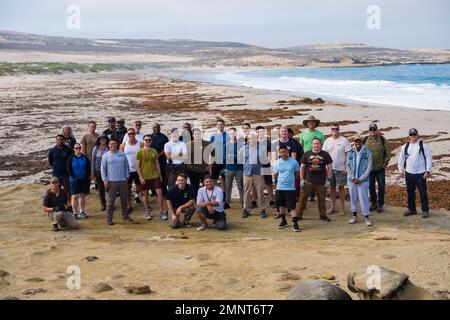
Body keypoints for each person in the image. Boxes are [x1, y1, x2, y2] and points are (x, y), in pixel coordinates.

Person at [398, 128, 432, 218]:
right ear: (409, 136)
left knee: (423, 192)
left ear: (417, 135)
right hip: (409, 173)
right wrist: (400, 170)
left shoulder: (423, 146)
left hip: (421, 173)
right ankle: (412, 209)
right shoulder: (405, 146)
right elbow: (401, 159)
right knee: (410, 192)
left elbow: (429, 158)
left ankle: (425, 210)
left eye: (414, 134)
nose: (413, 136)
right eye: (411, 135)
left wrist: (428, 171)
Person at [297, 137, 333, 222]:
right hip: (308, 180)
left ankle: (323, 215)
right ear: (311, 144)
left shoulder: (325, 154)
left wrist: (329, 179)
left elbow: (329, 167)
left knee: (322, 199)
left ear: (320, 145)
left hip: (321, 181)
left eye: (318, 143)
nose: (316, 145)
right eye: (314, 143)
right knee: (302, 199)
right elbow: (302, 167)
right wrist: (301, 179)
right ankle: (299, 215)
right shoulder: (306, 154)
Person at [101, 139, 132, 225]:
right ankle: (109, 219)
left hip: (122, 181)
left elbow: (126, 166)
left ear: (117, 144)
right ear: (108, 145)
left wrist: (127, 176)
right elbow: (103, 169)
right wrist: (105, 180)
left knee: (124, 200)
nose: (112, 145)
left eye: (114, 143)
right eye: (111, 144)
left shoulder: (122, 154)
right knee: (111, 202)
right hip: (111, 182)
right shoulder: (106, 155)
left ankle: (125, 216)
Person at [323, 124, 352, 215]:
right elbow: (324, 155)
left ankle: (342, 209)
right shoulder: (327, 141)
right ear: (331, 130)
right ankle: (332, 207)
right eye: (333, 129)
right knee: (332, 189)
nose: (335, 130)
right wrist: (325, 168)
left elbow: (348, 156)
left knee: (341, 188)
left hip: (341, 169)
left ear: (339, 130)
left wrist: (346, 168)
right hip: (330, 169)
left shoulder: (344, 140)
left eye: (336, 129)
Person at [363, 123, 391, 213]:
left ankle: (380, 204)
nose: (373, 131)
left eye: (374, 129)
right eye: (371, 129)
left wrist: (384, 164)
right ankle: (373, 203)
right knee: (371, 187)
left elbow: (388, 152)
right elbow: (360, 152)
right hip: (369, 169)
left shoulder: (382, 140)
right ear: (369, 131)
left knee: (381, 186)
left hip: (380, 169)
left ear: (377, 130)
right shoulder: (365, 140)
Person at [136, 134, 165, 221]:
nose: (148, 141)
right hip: (145, 176)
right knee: (145, 194)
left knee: (159, 193)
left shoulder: (154, 151)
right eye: (146, 140)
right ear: (143, 141)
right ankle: (147, 212)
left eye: (149, 140)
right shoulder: (140, 152)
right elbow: (137, 166)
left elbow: (157, 164)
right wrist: (140, 177)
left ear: (151, 141)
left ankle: (161, 212)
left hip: (155, 175)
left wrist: (160, 175)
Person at [273, 145, 301, 232]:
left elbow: (297, 174)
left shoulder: (294, 162)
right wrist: (277, 183)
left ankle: (295, 224)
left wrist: (290, 181)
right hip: (280, 187)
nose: (283, 153)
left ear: (287, 152)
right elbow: (275, 175)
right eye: (281, 152)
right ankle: (283, 221)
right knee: (281, 205)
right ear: (279, 153)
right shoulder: (277, 163)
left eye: (284, 151)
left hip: (290, 188)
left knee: (292, 207)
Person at [239, 133, 268, 219]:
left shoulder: (261, 149)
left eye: (254, 139)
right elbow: (241, 161)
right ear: (248, 140)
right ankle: (246, 209)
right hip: (247, 174)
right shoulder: (242, 149)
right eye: (250, 139)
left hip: (258, 174)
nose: (252, 140)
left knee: (260, 192)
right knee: (247, 192)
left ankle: (262, 209)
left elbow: (264, 161)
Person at [347, 135, 373, 226]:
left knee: (364, 199)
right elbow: (347, 166)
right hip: (352, 181)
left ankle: (366, 217)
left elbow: (369, 168)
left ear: (362, 142)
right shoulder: (350, 152)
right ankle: (354, 216)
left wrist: (361, 179)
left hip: (363, 181)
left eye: (359, 141)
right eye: (356, 141)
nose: (357, 143)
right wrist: (352, 178)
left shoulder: (367, 152)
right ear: (354, 142)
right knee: (353, 198)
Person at [120, 128, 144, 213]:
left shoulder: (141, 144)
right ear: (127, 135)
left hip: (138, 169)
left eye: (132, 133)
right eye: (129, 134)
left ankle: (137, 196)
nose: (131, 135)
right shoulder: (123, 145)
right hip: (128, 170)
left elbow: (143, 157)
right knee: (128, 187)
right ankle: (129, 204)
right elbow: (121, 158)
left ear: (135, 134)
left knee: (139, 185)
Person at [67, 143, 91, 219]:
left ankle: (82, 211)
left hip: (84, 180)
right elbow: (69, 169)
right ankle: (74, 213)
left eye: (79, 148)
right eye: (76, 148)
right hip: (74, 180)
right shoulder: (70, 158)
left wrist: (86, 177)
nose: (78, 149)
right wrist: (74, 177)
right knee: (74, 196)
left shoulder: (85, 158)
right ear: (73, 149)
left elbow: (88, 168)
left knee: (82, 196)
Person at [224, 128, 244, 208]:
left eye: (234, 133)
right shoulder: (226, 145)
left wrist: (232, 156)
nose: (233, 135)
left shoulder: (241, 145)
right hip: (229, 169)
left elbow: (241, 158)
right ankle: (227, 202)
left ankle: (243, 202)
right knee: (228, 187)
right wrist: (235, 156)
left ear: (236, 134)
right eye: (231, 134)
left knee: (240, 186)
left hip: (239, 169)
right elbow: (225, 158)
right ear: (229, 135)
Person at [186, 128, 210, 196]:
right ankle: (196, 203)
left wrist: (210, 165)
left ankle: (206, 202)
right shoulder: (188, 144)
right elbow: (185, 156)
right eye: (195, 134)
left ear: (200, 134)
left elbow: (214, 154)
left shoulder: (207, 143)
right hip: (192, 170)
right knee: (194, 187)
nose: (196, 135)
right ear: (193, 135)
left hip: (204, 170)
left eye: (198, 134)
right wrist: (187, 164)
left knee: (206, 187)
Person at [209, 119, 229, 194]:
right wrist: (210, 161)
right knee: (214, 178)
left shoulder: (227, 135)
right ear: (216, 126)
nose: (220, 126)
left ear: (224, 125)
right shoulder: (213, 136)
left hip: (225, 161)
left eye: (221, 124)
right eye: (219, 124)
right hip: (215, 161)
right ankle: (214, 193)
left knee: (224, 178)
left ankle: (224, 194)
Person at [256, 125, 274, 207]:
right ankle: (256, 200)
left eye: (262, 131)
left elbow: (270, 155)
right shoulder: (254, 142)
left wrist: (267, 161)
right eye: (258, 132)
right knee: (258, 184)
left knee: (268, 183)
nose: (260, 133)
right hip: (256, 166)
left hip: (266, 165)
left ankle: (271, 200)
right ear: (256, 133)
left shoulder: (268, 142)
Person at [150, 123, 169, 196]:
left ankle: (164, 190)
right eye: (155, 127)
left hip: (161, 159)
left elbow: (166, 148)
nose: (156, 129)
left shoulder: (164, 137)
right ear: (152, 128)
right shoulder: (150, 137)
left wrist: (158, 155)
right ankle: (153, 191)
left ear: (160, 128)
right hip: (151, 159)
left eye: (158, 127)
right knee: (152, 174)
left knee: (162, 174)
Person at [91, 134, 109, 211]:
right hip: (98, 171)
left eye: (104, 138)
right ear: (99, 140)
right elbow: (93, 161)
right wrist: (92, 173)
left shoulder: (108, 148)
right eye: (101, 139)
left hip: (108, 171)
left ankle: (110, 204)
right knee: (101, 188)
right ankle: (103, 204)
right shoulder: (95, 148)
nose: (102, 140)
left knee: (109, 188)